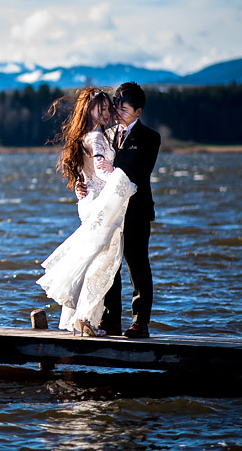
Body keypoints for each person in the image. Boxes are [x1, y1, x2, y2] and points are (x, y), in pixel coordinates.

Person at [36, 87, 137, 336]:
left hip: (89, 202)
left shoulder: (84, 136)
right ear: (88, 110)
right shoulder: (96, 138)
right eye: (99, 108)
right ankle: (85, 320)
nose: (105, 112)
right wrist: (120, 179)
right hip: (101, 205)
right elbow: (101, 168)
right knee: (102, 263)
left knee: (93, 260)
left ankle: (82, 320)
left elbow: (86, 172)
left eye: (107, 107)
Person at [76, 82, 161, 338]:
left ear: (138, 111)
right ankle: (111, 321)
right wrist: (82, 186)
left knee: (137, 267)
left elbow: (141, 172)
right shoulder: (107, 135)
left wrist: (115, 174)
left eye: (124, 108)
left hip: (136, 211)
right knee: (109, 265)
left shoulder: (150, 137)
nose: (119, 112)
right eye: (117, 107)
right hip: (110, 213)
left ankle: (140, 323)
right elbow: (94, 170)